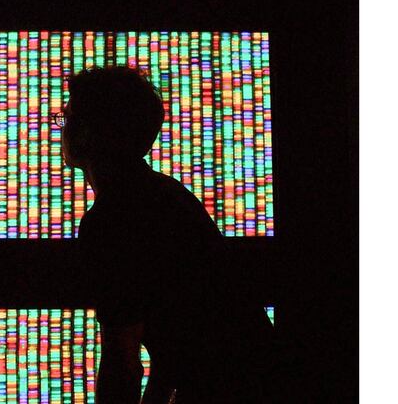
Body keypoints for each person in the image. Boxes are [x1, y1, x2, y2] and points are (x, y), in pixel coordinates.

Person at [58, 66, 274, 403]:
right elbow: (175, 340)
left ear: (89, 132)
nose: (62, 127)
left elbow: (122, 361)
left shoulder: (112, 219)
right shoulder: (165, 194)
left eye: (67, 117)